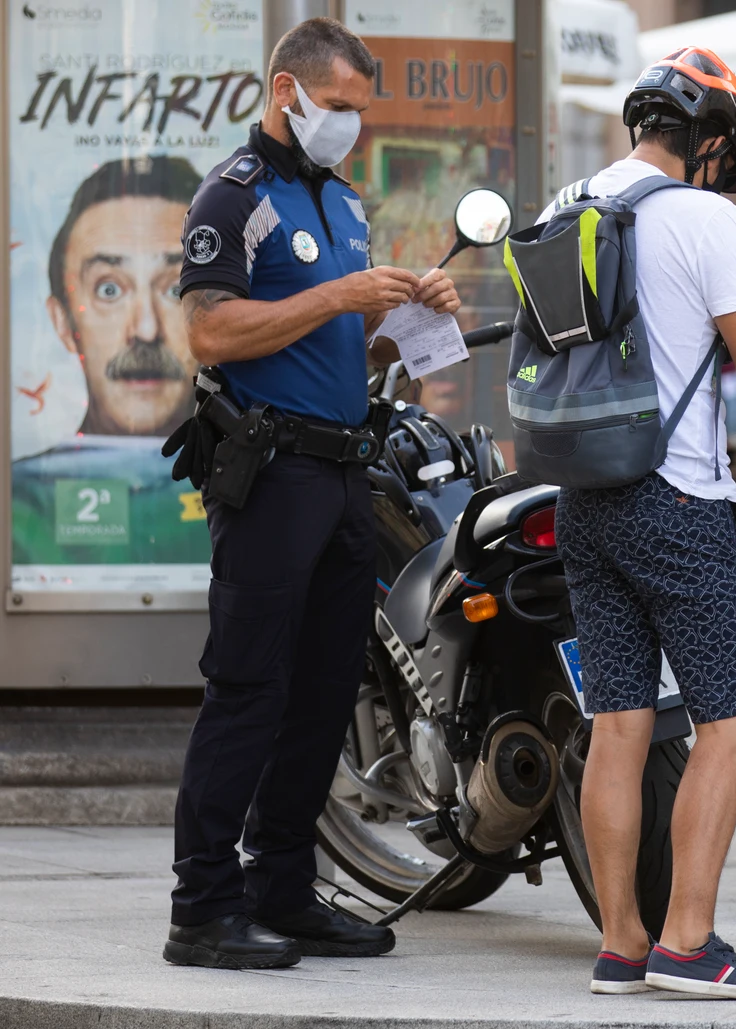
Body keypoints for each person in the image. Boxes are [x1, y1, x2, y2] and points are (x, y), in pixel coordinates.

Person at [163, 17, 462, 969]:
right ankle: (202, 906)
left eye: (361, 110)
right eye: (339, 105)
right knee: (248, 687)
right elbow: (210, 332)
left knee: (325, 692)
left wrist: (403, 315)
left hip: (342, 472)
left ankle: (284, 891)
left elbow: (339, 341)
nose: (351, 125)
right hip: (271, 473)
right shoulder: (233, 195)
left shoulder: (344, 202)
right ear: (286, 92)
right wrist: (339, 296)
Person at [552, 47, 736, 1001]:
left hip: (586, 497)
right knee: (732, 720)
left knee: (618, 722)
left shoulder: (569, 201)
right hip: (680, 499)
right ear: (708, 141)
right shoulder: (705, 219)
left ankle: (622, 943)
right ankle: (689, 942)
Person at [11, 156, 212, 570]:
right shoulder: (19, 503)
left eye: (175, 290)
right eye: (108, 289)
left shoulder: (257, 488)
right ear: (63, 322)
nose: (145, 329)